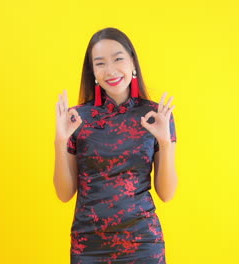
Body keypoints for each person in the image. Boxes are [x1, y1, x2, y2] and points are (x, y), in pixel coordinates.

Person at [53, 27, 178, 264]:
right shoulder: (76, 119)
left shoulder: (156, 116)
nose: (110, 70)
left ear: (132, 63)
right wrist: (59, 142)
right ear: (93, 72)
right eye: (100, 63)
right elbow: (64, 194)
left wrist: (164, 141)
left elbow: (167, 193)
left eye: (118, 59)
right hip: (88, 244)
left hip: (142, 243)